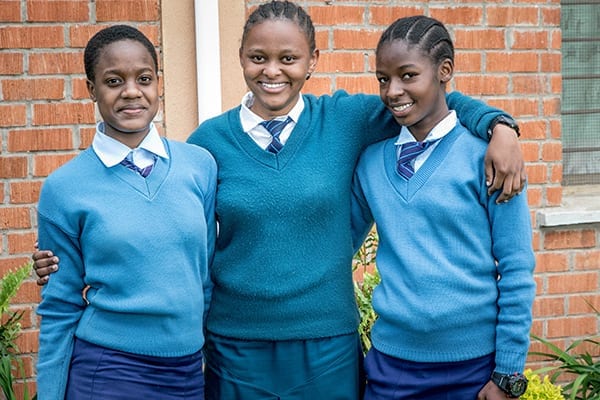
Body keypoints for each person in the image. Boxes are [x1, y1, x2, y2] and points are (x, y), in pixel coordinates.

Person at [33, 2, 526, 399]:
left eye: (288, 59)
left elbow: (431, 98)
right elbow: (172, 221)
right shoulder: (207, 145)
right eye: (258, 58)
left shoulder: (346, 120)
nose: (272, 72)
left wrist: (499, 126)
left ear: (312, 61)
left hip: (327, 343)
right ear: (241, 57)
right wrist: (64, 255)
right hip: (233, 345)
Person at [350, 16, 535, 400]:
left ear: (444, 71)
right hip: (391, 368)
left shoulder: (492, 159)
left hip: (474, 370)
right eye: (383, 79)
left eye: (408, 75)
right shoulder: (370, 163)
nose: (393, 91)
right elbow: (335, 246)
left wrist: (508, 373)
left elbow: (517, 269)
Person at [35, 25, 216, 399]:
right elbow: (59, 305)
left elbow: (205, 273)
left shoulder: (199, 166)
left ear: (158, 83)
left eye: (144, 78)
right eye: (114, 80)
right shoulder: (65, 187)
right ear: (91, 89)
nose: (132, 91)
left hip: (187, 371)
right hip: (109, 370)